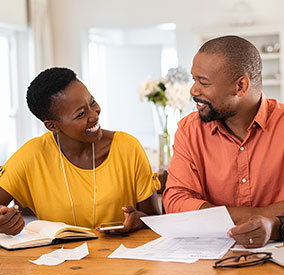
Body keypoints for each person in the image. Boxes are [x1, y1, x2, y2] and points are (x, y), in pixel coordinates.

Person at [0, 67, 160, 236]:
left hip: (121, 259)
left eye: (92, 102)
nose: (94, 115)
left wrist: (137, 220)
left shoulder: (128, 148)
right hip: (57, 259)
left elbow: (155, 221)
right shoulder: (32, 155)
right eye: (81, 114)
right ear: (52, 126)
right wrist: (4, 222)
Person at [163, 35, 284, 248]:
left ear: (240, 86)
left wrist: (270, 225)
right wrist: (262, 215)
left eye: (203, 82)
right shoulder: (189, 130)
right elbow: (176, 201)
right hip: (210, 256)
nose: (193, 90)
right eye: (194, 79)